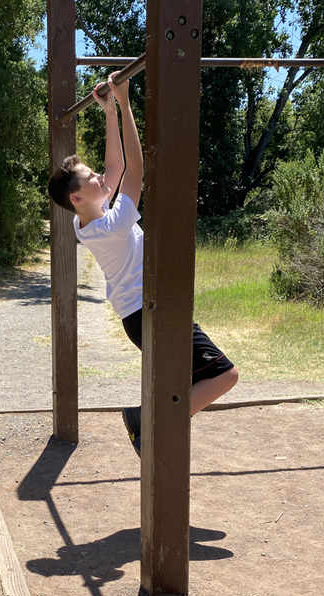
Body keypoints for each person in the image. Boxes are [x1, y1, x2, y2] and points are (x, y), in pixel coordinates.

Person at [47, 73, 238, 456]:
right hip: (151, 314)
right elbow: (134, 168)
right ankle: (148, 422)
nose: (101, 177)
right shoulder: (113, 225)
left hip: (141, 315)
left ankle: (148, 421)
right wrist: (125, 102)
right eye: (91, 178)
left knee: (188, 379)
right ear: (77, 198)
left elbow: (116, 168)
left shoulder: (85, 222)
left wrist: (109, 113)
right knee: (225, 375)